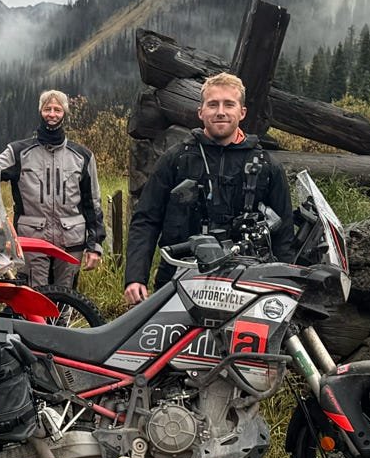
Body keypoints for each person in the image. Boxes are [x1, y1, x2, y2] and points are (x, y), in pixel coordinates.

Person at [123, 71, 295, 304]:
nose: (220, 111)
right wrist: (135, 276)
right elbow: (146, 220)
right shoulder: (176, 159)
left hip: (247, 282)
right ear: (201, 112)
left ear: (242, 112)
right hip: (178, 277)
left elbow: (284, 233)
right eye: (213, 104)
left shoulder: (267, 166)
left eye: (229, 104)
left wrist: (285, 287)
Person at [0, 88, 104, 294]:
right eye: (47, 109)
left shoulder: (83, 156)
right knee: (34, 297)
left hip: (72, 240)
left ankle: (62, 327)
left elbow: (92, 203)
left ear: (65, 113)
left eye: (57, 109)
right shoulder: (19, 151)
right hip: (32, 239)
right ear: (40, 111)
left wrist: (95, 246)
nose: (52, 114)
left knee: (66, 296)